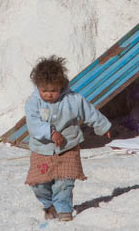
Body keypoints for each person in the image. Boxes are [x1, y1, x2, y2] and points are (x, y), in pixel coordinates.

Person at [23, 55, 111, 222]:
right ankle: (49, 204)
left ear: (61, 85)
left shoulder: (73, 99)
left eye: (53, 91)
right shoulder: (33, 102)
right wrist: (50, 132)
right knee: (39, 183)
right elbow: (33, 123)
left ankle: (63, 209)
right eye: (44, 91)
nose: (49, 95)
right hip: (42, 149)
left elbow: (89, 112)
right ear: (38, 87)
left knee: (64, 181)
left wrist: (103, 126)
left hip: (68, 147)